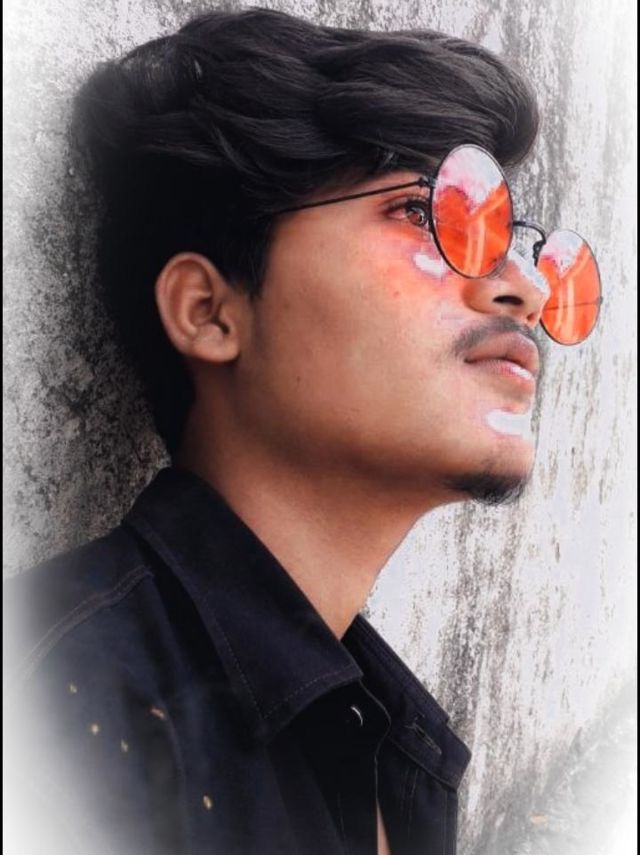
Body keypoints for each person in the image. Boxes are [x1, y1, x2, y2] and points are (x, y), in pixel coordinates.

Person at [4, 7, 602, 855]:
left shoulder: (391, 740)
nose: (527, 292)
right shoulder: (53, 718)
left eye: (515, 241)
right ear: (209, 312)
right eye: (427, 213)